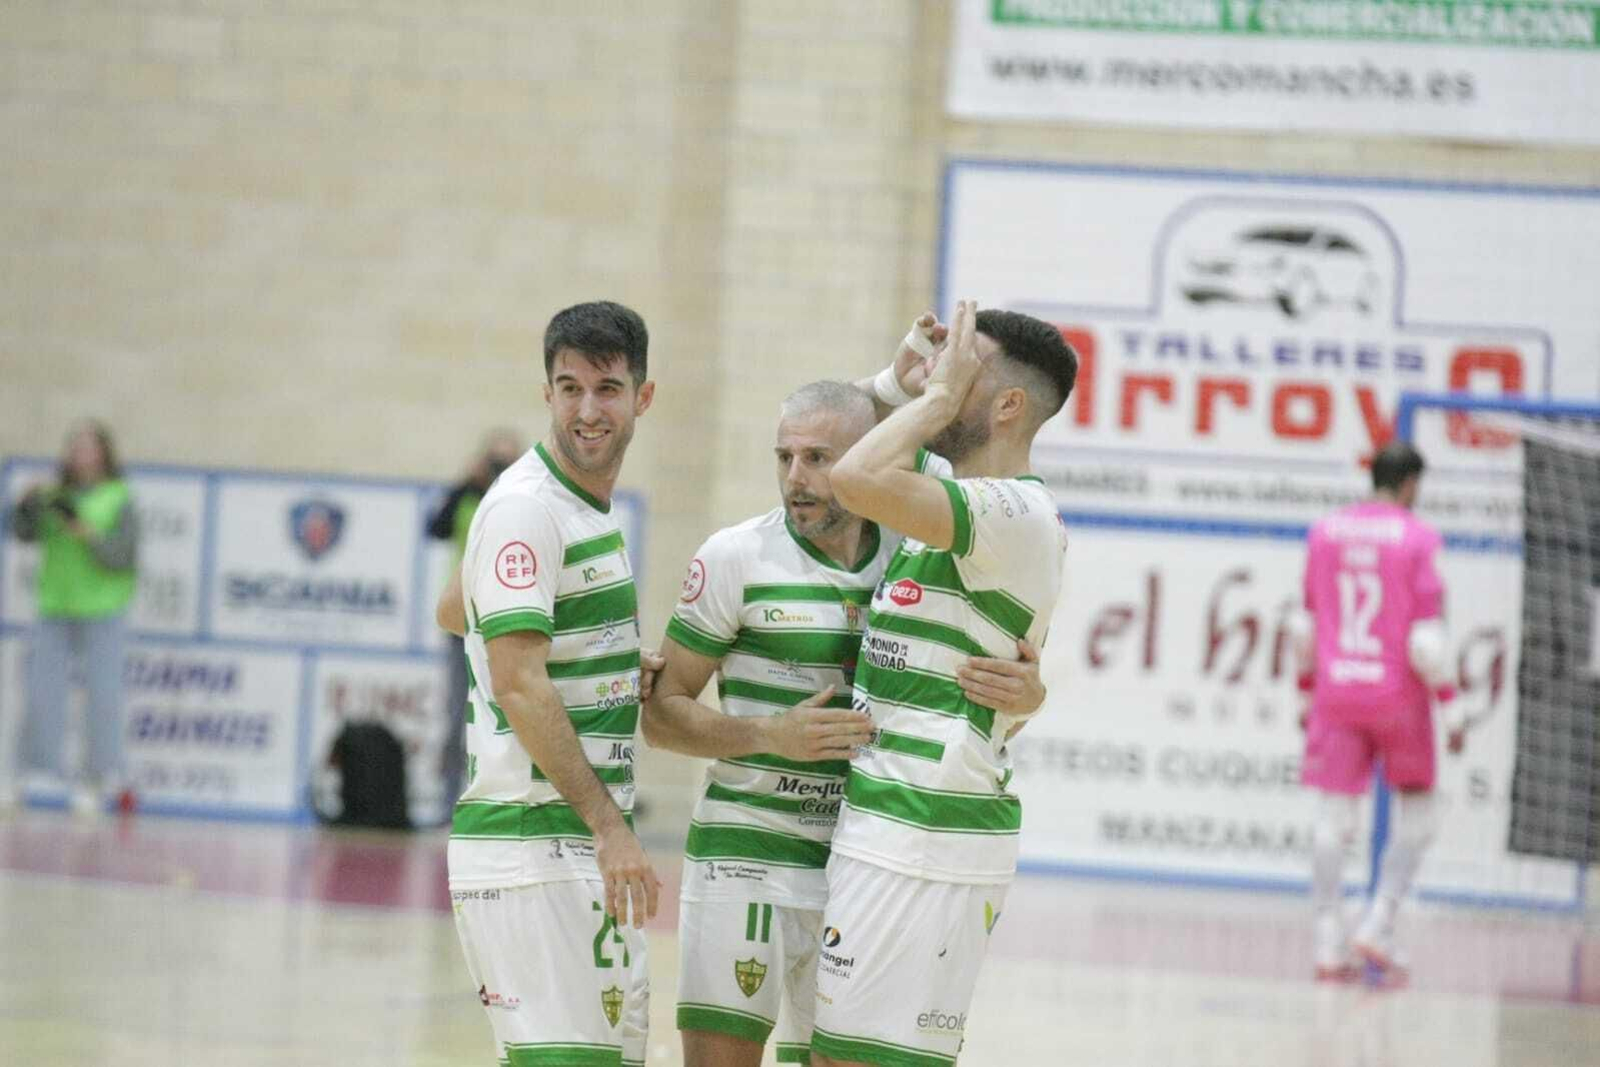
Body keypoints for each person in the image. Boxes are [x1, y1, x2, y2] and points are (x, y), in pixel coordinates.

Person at [644, 371, 1048, 1067]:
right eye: (784, 457)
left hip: (855, 866)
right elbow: (662, 715)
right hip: (746, 857)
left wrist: (1029, 694)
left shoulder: (910, 557)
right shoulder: (735, 556)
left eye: (819, 458)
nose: (797, 477)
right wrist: (766, 736)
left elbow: (965, 688)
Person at [807, 302, 1077, 1067]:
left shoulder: (1012, 511)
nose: (944, 370)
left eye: (965, 364)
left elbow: (851, 475)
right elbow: (818, 439)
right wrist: (895, 383)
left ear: (1008, 404)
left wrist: (921, 403)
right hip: (890, 824)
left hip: (927, 835)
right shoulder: (949, 490)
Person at [433, 301, 660, 1067]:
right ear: (547, 394)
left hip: (565, 844)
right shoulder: (530, 506)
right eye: (569, 388)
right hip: (534, 840)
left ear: (642, 397)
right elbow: (519, 684)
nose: (587, 410)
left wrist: (607, 661)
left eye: (607, 388)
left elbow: (452, 606)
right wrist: (608, 825)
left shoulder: (575, 508)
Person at [1296, 440, 1467, 982]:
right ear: (1412, 484)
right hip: (1398, 699)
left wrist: (1306, 693)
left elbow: (1304, 627)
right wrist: (1452, 707)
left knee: (1332, 821)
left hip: (1337, 694)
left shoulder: (1325, 532)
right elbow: (1426, 644)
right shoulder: (1418, 538)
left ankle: (1327, 941)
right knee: (1419, 812)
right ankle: (1379, 922)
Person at [4, 421, 139, 816]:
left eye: (87, 446)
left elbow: (122, 557)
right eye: (73, 445)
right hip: (55, 605)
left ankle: (94, 779)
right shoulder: (53, 495)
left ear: (103, 453)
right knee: (41, 692)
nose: (78, 453)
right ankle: (24, 773)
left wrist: (86, 532)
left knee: (102, 697)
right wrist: (26, 505)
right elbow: (21, 531)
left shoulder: (118, 498)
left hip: (103, 608)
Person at [427, 427, 525, 808]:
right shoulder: (466, 498)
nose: (501, 468)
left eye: (508, 461)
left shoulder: (521, 500)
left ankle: (498, 799)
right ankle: (448, 801)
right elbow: (434, 528)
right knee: (456, 716)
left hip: (507, 623)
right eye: (495, 461)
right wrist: (464, 482)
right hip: (462, 625)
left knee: (509, 713)